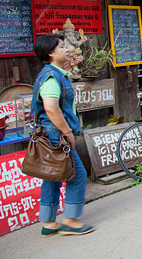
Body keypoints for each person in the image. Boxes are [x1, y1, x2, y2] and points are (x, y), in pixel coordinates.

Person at [30, 34, 94, 237]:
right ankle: (70, 220)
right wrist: (67, 132)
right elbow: (50, 107)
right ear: (51, 52)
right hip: (56, 134)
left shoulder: (53, 73)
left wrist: (68, 66)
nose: (67, 50)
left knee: (53, 176)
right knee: (77, 174)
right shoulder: (51, 77)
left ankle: (48, 223)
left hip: (50, 133)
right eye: (62, 47)